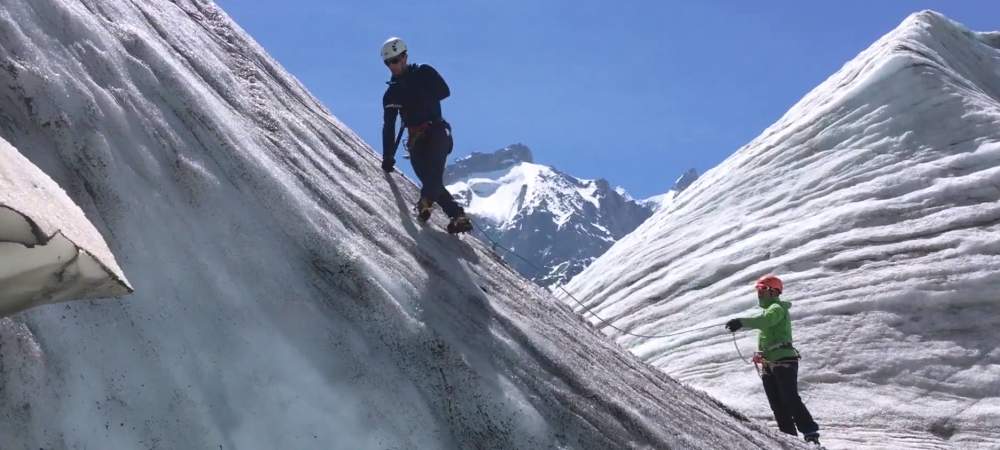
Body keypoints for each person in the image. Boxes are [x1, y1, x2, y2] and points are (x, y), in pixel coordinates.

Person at [380, 37, 472, 234]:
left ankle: (425, 205)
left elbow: (444, 91)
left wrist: (413, 93)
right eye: (388, 63)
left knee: (432, 178)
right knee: (432, 181)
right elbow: (389, 125)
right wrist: (387, 155)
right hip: (415, 141)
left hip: (437, 131)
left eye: (395, 61)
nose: (392, 66)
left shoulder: (423, 72)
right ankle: (458, 216)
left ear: (405, 57)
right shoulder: (391, 94)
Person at [726, 275, 821, 445]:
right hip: (770, 363)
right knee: (777, 404)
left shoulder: (777, 308)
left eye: (762, 290)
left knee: (789, 397)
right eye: (758, 290)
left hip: (783, 360)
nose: (759, 294)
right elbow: (765, 323)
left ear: (772, 291)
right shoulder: (769, 310)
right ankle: (791, 439)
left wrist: (741, 322)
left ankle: (810, 433)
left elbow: (766, 321)